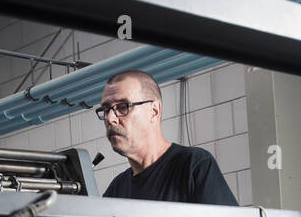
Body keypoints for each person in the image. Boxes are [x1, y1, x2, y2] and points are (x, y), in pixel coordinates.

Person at [96, 70, 238, 205]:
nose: (110, 118)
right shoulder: (116, 191)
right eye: (106, 109)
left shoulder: (194, 165)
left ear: (154, 111)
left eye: (122, 107)